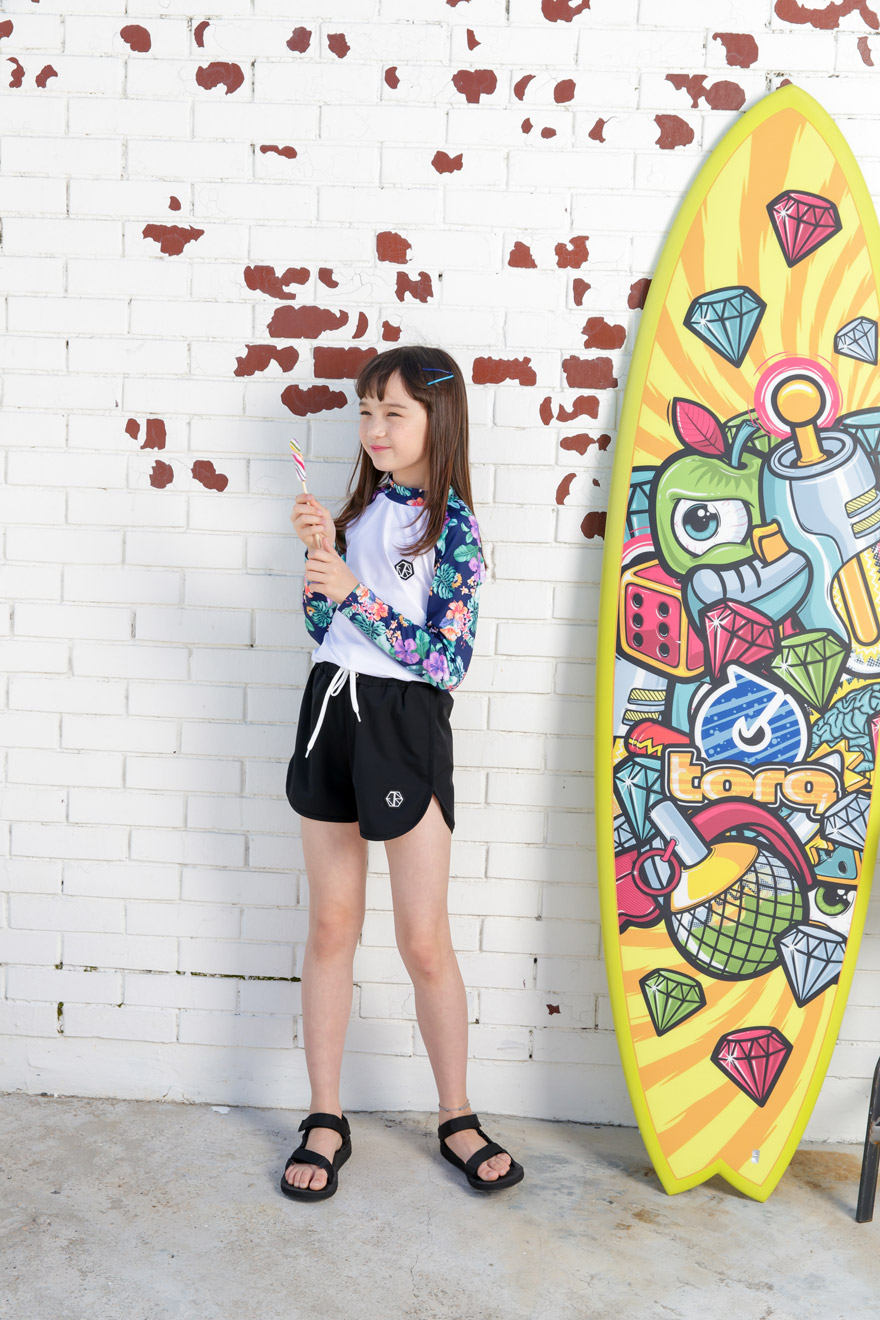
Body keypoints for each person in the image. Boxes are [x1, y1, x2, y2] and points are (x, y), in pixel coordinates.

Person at [279, 344, 524, 1200]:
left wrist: (352, 590)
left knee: (423, 939)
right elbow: (324, 630)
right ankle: (324, 1115)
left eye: (393, 412)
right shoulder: (356, 513)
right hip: (330, 712)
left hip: (404, 726)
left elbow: (446, 660)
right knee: (330, 926)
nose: (374, 428)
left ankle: (456, 1115)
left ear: (436, 419)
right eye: (365, 411)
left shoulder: (454, 529)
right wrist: (320, 559)